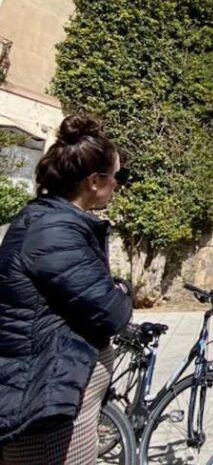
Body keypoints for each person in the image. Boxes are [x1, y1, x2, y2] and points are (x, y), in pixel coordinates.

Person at [0, 115, 133, 464]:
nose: (117, 185)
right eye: (115, 177)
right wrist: (122, 291)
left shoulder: (53, 222)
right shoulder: (56, 230)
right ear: (93, 181)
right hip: (44, 404)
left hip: (55, 394)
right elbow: (111, 311)